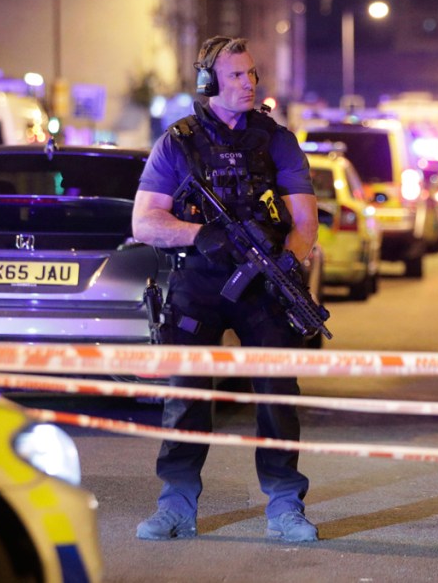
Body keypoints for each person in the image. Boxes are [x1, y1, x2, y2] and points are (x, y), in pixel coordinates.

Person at [131, 36, 320, 543]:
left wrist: (286, 262)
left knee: (277, 394)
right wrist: (199, 235)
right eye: (237, 76)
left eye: (252, 74)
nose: (249, 84)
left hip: (264, 284)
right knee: (186, 395)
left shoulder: (276, 139)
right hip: (200, 278)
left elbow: (305, 221)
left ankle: (285, 506)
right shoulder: (179, 141)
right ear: (210, 82)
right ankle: (175, 506)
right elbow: (145, 221)